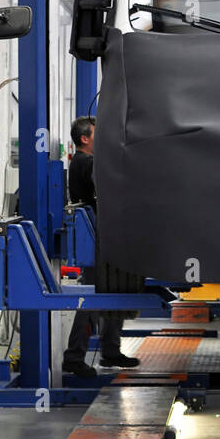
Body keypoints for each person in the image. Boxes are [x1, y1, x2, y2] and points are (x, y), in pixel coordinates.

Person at [63, 115, 137, 377]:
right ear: (85, 139)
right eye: (98, 133)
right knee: (92, 301)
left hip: (103, 238)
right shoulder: (86, 163)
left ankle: (110, 351)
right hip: (96, 242)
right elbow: (111, 182)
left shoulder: (84, 162)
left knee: (117, 291)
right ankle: (74, 356)